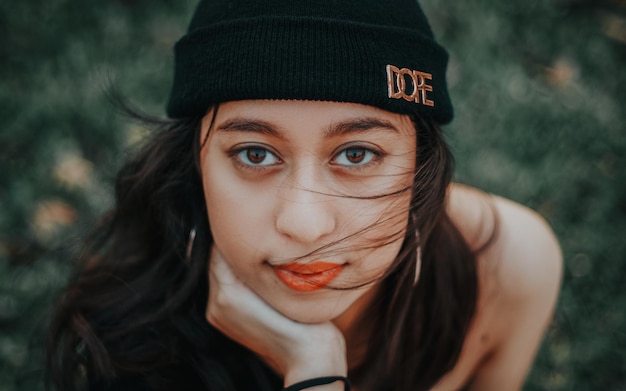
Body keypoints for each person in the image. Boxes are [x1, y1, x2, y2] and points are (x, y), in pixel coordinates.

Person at [46, 0, 563, 390]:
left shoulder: (508, 265)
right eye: (254, 154)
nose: (305, 224)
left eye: (357, 154)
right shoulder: (129, 332)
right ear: (195, 164)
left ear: (422, 164)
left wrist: (311, 374)